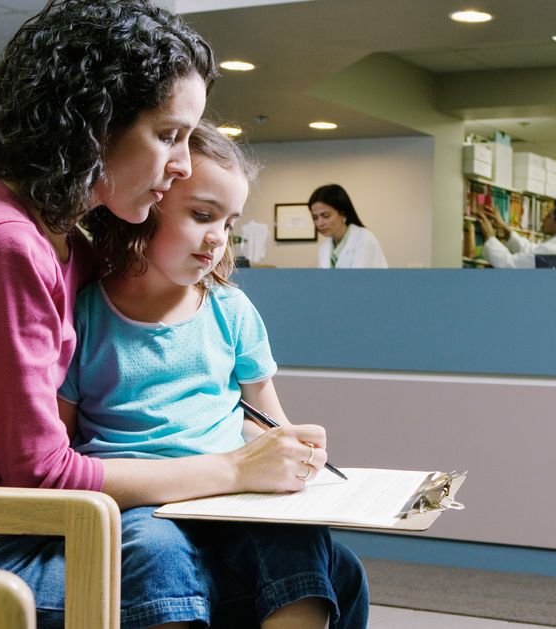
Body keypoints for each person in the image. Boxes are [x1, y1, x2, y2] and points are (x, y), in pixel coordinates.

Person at [0, 2, 358, 627]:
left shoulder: (66, 236)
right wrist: (235, 467)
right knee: (230, 578)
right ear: (93, 125)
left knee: (328, 570)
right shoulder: (3, 241)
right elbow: (44, 474)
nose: (181, 164)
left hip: (24, 520)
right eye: (168, 135)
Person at [63, 121, 368, 628]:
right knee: (153, 552)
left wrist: (297, 455)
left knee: (299, 536)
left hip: (232, 497)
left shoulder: (231, 309)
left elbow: (272, 427)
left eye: (229, 223)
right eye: (202, 215)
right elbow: (59, 446)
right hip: (137, 501)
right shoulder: (86, 314)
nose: (217, 239)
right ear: (145, 207)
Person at [477, 199, 556, 268]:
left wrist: (489, 237)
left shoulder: (554, 251)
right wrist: (507, 231)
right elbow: (531, 250)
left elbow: (509, 264)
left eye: (549, 216)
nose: (543, 219)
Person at [309, 184, 388, 268]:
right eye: (315, 218)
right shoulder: (324, 248)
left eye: (326, 216)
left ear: (343, 214)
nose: (319, 223)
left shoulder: (364, 239)